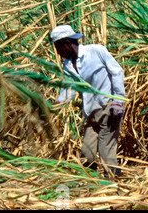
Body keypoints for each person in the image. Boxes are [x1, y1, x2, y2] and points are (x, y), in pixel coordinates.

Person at [51, 25, 125, 178]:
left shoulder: (96, 51)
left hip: (108, 108)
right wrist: (54, 104)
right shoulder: (67, 66)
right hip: (90, 113)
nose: (57, 52)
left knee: (106, 153)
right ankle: (91, 185)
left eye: (58, 47)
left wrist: (118, 102)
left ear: (66, 43)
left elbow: (117, 72)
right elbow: (70, 90)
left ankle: (113, 186)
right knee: (87, 154)